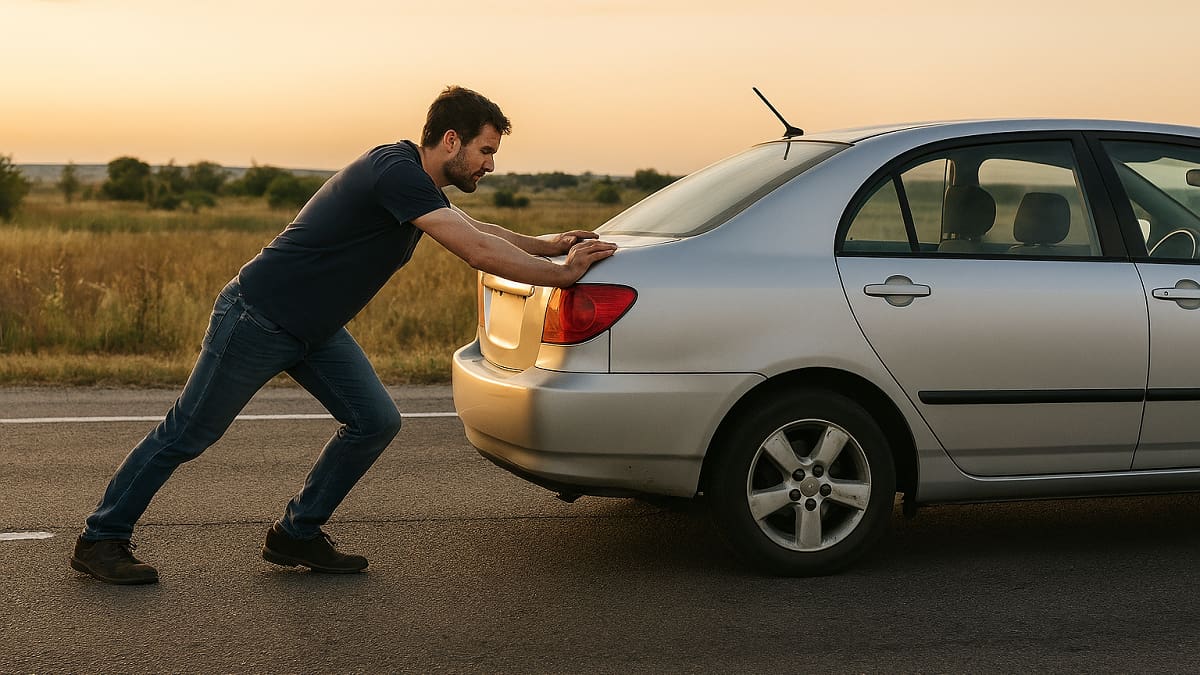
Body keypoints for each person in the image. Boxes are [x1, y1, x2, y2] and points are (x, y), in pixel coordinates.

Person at [69, 85, 618, 585]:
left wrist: (547, 244)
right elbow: (474, 250)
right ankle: (101, 538)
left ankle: (296, 534)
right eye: (486, 150)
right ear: (451, 140)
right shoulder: (395, 172)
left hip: (316, 329)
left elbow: (476, 230)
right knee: (188, 433)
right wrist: (562, 274)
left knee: (374, 421)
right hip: (259, 316)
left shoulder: (416, 183)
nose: (490, 164)